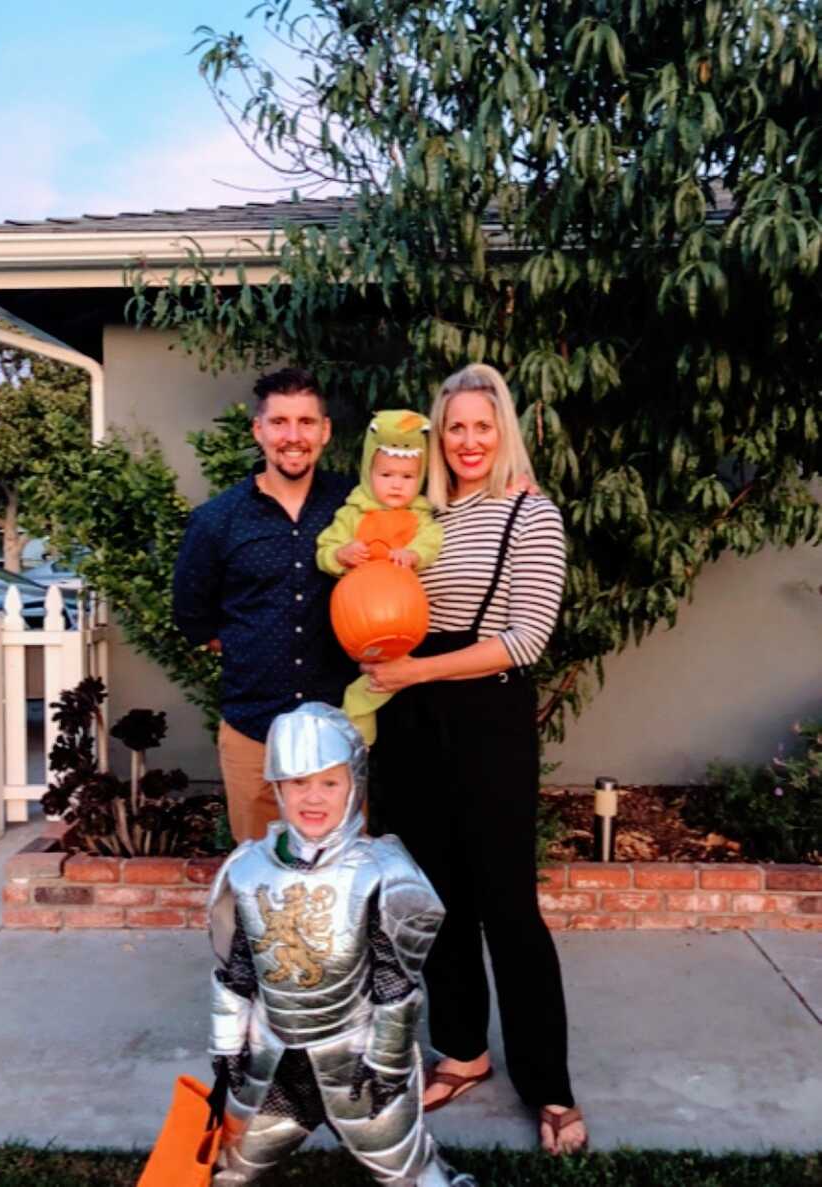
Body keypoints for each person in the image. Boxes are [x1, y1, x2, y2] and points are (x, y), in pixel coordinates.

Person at [363, 363, 588, 1155]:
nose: (467, 441)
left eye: (481, 427)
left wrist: (413, 670)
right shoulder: (415, 515)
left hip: (487, 714)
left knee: (507, 905)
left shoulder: (531, 513)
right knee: (438, 898)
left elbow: (525, 638)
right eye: (454, 427)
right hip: (412, 717)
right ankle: (464, 1048)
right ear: (437, 434)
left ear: (504, 433)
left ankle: (550, 1085)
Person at [205, 702, 477, 1186]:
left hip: (355, 1056)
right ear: (278, 787)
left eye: (329, 783)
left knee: (409, 1172)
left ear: (354, 785)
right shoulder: (246, 869)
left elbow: (396, 984)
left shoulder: (382, 871)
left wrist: (388, 1062)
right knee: (231, 1168)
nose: (314, 798)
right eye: (298, 783)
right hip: (271, 1056)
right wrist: (227, 1046)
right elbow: (239, 972)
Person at [172, 369, 355, 843]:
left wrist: (511, 485)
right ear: (258, 430)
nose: (293, 437)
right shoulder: (218, 520)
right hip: (254, 731)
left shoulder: (356, 506)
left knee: (338, 879)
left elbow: (421, 512)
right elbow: (193, 616)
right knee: (259, 877)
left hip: (338, 728)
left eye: (306, 422)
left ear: (325, 431)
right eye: (279, 422)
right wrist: (249, 647)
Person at [316, 409, 443, 745]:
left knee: (384, 680)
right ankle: (357, 737)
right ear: (368, 472)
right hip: (360, 618)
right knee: (370, 676)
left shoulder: (421, 517)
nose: (397, 484)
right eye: (386, 474)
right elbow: (324, 550)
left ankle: (360, 730)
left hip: (404, 617)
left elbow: (431, 542)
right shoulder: (351, 513)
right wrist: (340, 555)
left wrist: (414, 554)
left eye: (407, 477)